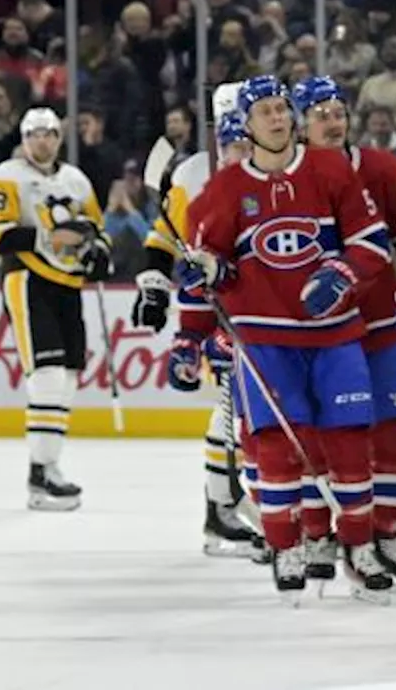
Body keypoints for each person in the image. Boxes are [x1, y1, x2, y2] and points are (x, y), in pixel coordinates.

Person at [173, 74, 395, 604]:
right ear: (245, 126)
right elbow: (209, 271)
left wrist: (342, 272)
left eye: (281, 108)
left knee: (348, 444)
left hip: (335, 334)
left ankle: (358, 547)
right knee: (275, 449)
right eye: (264, 111)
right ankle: (285, 546)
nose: (276, 117)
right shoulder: (224, 191)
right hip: (265, 342)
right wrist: (190, 332)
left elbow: (372, 243)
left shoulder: (330, 170)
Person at [292, 75, 396, 586]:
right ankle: (321, 534)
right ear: (300, 124)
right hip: (317, 333)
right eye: (319, 112)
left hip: (378, 321)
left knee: (395, 432)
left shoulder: (383, 168)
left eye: (337, 111)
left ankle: (387, 535)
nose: (332, 120)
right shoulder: (288, 178)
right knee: (325, 438)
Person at [132, 81, 264, 558]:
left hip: (272, 310)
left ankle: (253, 509)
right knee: (234, 408)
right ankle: (222, 511)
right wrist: (157, 292)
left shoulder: (284, 163)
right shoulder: (191, 173)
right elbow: (167, 242)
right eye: (230, 133)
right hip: (224, 309)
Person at [0, 107, 112, 511]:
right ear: (24, 138)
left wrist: (97, 254)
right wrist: (52, 236)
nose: (43, 140)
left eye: (50, 133)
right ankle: (40, 474)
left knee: (69, 376)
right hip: (28, 281)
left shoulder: (76, 180)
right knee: (49, 375)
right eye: (35, 134)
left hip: (68, 286)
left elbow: (98, 230)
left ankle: (50, 466)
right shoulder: (8, 175)